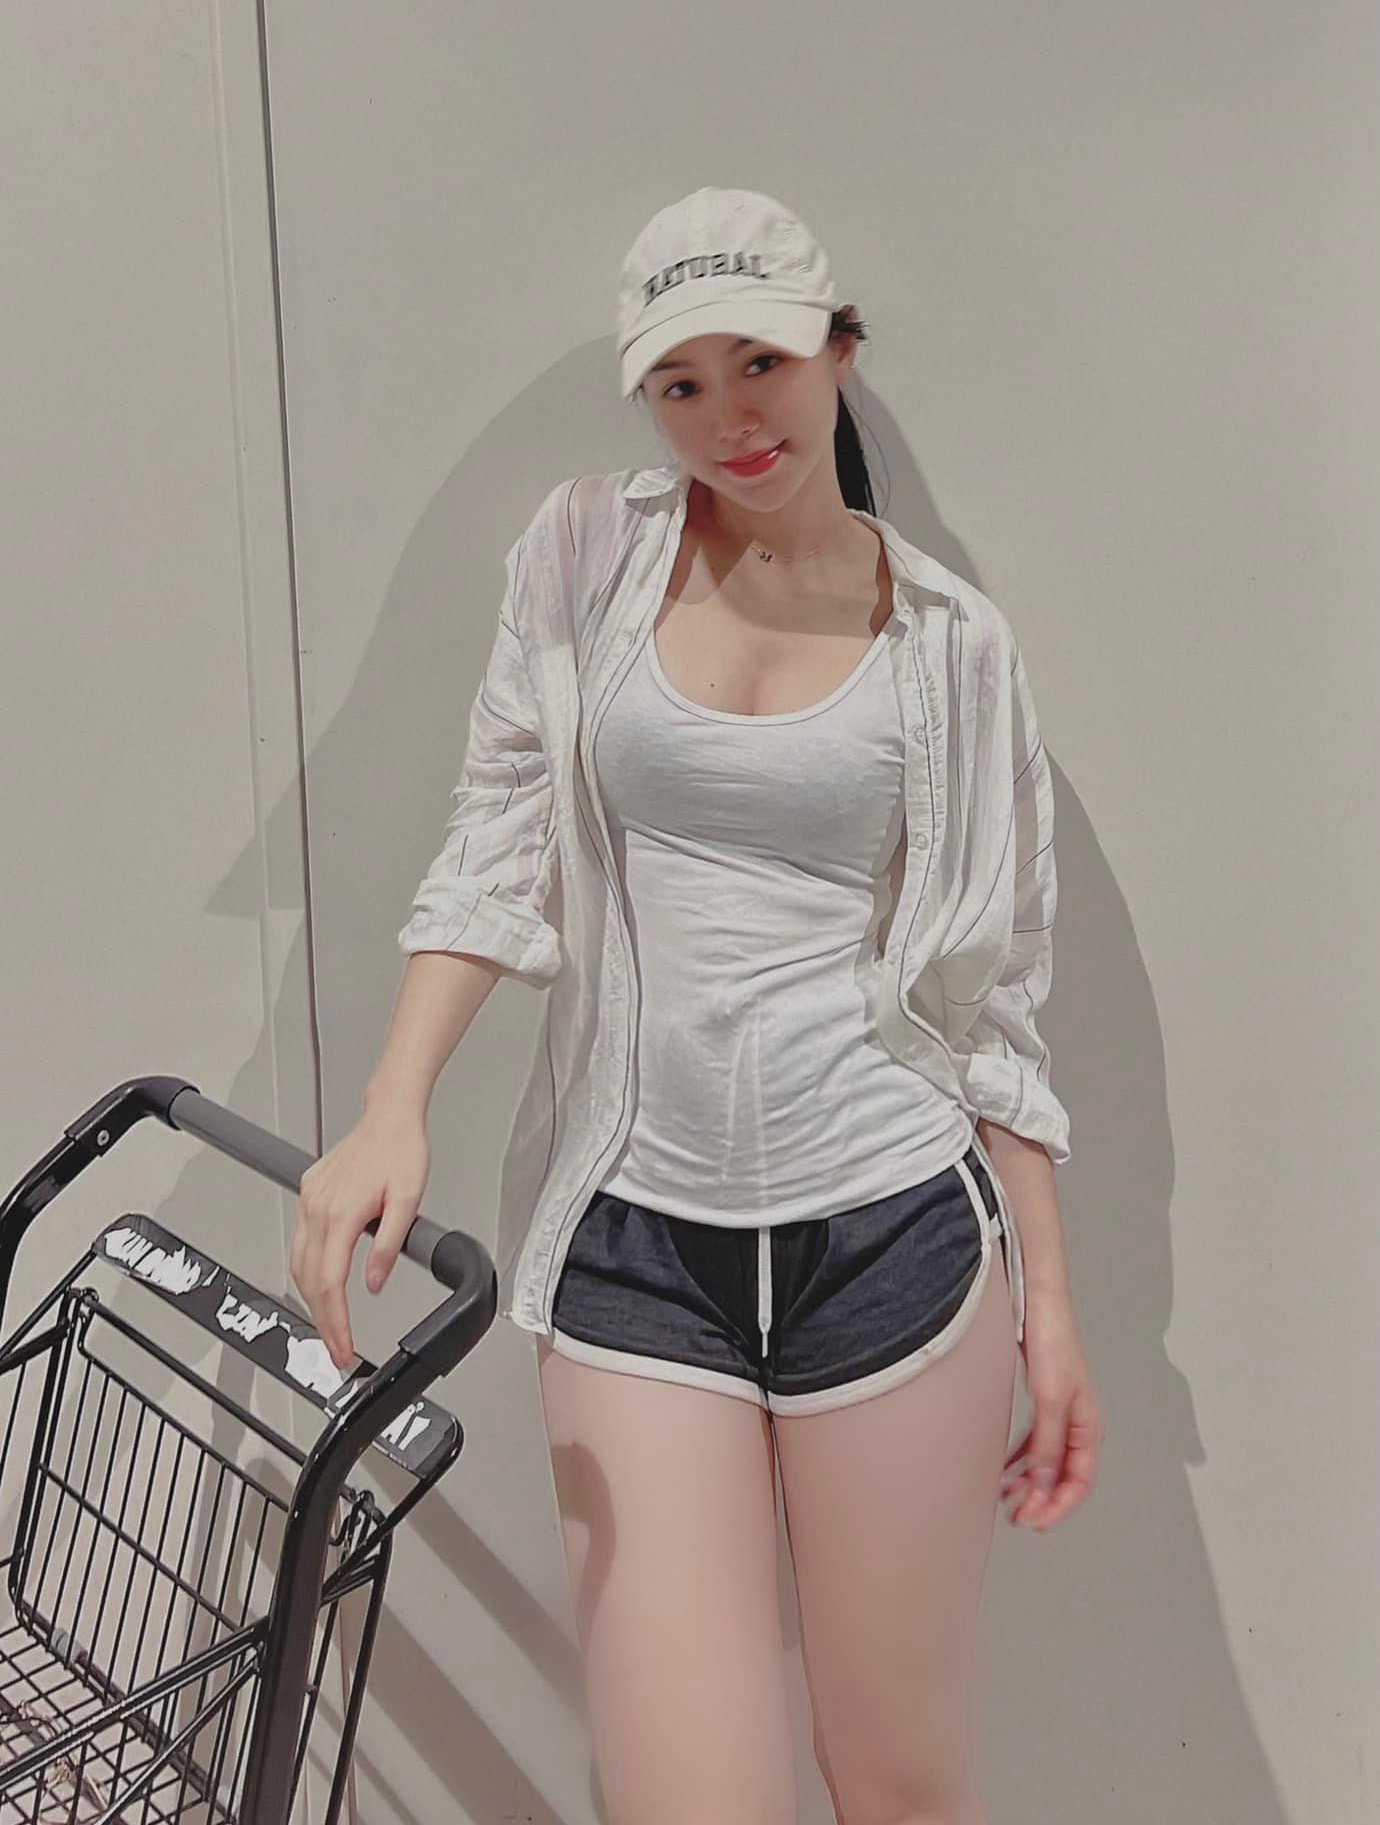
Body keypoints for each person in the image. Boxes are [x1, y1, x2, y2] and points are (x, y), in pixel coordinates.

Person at [291, 187, 1103, 1824]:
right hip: (634, 1248)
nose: (730, 417)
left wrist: (1054, 1305)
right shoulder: (584, 552)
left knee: (898, 1780)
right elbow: (499, 838)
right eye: (682, 383)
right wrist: (391, 1105)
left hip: (896, 1237)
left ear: (839, 352)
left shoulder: (953, 645)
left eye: (762, 365)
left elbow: (993, 991)